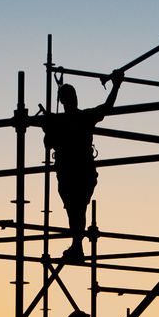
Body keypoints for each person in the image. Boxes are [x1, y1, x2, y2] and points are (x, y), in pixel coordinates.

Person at [37, 70, 125, 261]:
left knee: (74, 209)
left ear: (62, 101)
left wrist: (48, 128)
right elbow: (106, 107)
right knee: (77, 209)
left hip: (72, 172)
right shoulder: (82, 118)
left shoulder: (62, 121)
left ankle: (77, 245)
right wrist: (117, 85)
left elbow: (48, 143)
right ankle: (77, 245)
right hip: (82, 172)